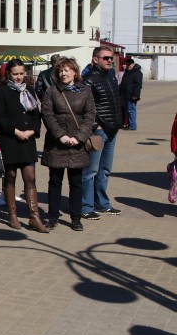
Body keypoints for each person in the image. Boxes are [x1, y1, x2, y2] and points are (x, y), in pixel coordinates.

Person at [0, 59, 48, 233]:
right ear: (9, 74)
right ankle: (12, 215)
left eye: (21, 73)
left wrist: (33, 131)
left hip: (27, 140)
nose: (18, 77)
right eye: (15, 74)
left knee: (30, 177)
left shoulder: (28, 89)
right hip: (10, 139)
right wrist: (16, 132)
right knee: (10, 176)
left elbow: (35, 115)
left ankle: (34, 216)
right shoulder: (1, 90)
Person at [41, 57, 95, 231]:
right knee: (55, 181)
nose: (63, 74)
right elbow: (47, 115)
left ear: (74, 72)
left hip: (77, 144)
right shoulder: (52, 91)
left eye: (66, 70)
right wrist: (61, 135)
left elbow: (90, 116)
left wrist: (79, 137)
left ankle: (76, 218)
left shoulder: (85, 91)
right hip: (56, 144)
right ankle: (53, 216)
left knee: (76, 182)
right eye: (60, 71)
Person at [81, 46, 123, 220]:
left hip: (113, 129)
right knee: (90, 171)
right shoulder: (88, 79)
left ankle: (103, 204)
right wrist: (95, 125)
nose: (110, 60)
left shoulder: (111, 75)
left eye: (110, 58)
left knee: (105, 170)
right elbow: (84, 106)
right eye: (105, 58)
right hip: (98, 131)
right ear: (95, 60)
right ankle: (86, 206)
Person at [120, 56, 143, 131]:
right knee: (127, 110)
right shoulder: (127, 72)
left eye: (129, 65)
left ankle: (133, 126)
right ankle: (129, 124)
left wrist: (135, 95)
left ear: (133, 64)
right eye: (127, 65)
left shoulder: (137, 73)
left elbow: (138, 85)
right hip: (125, 95)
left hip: (132, 95)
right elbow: (123, 84)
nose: (128, 66)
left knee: (131, 110)